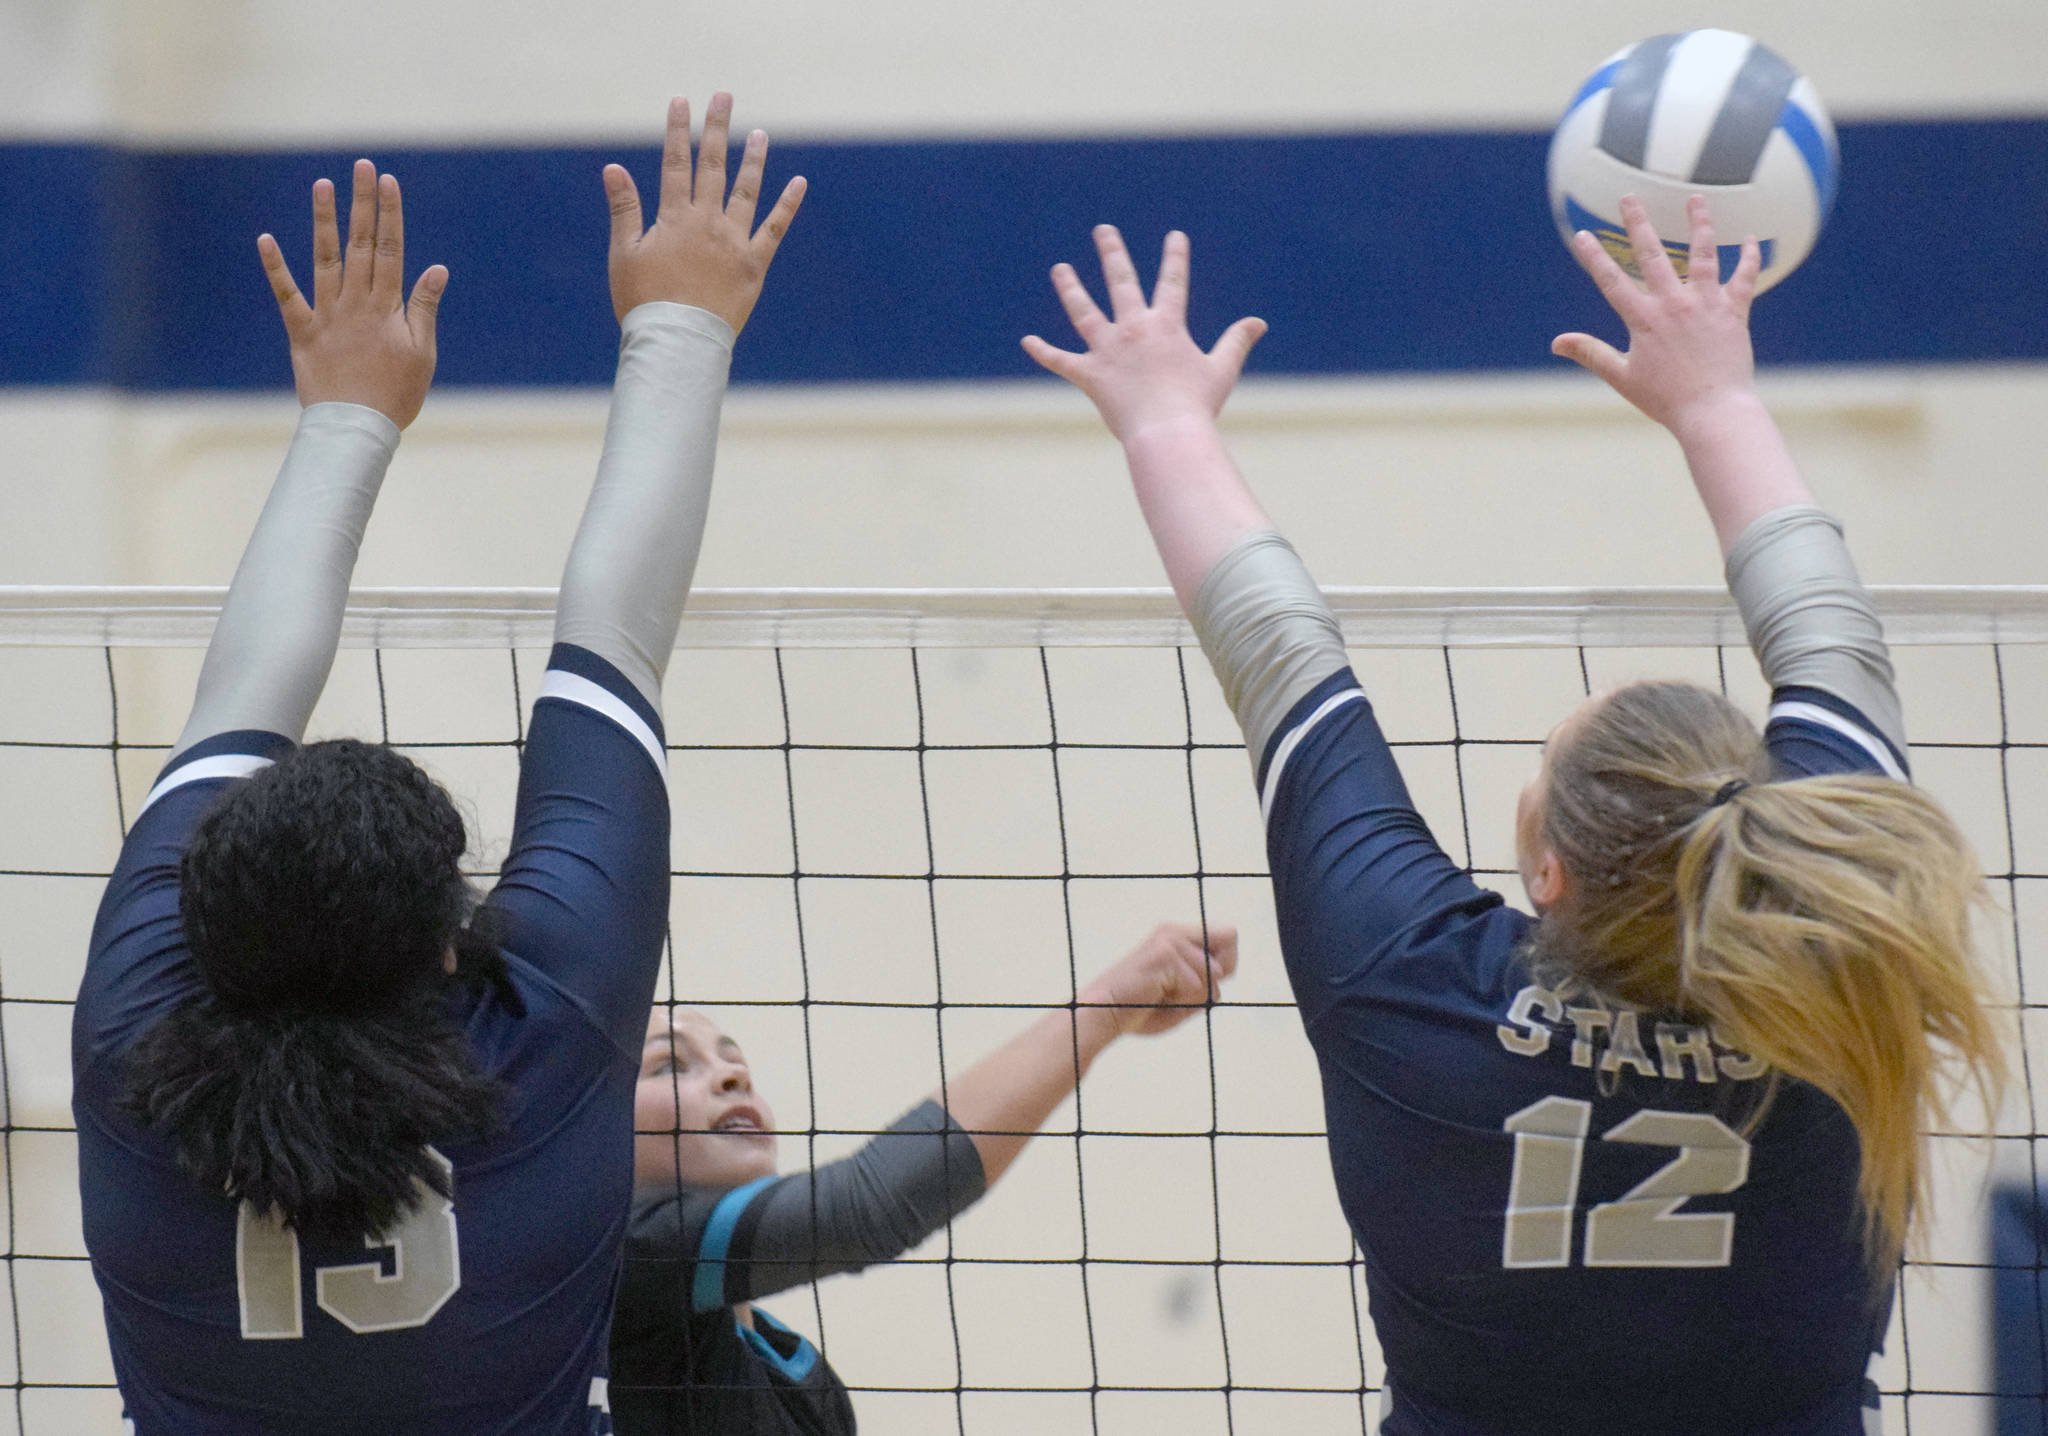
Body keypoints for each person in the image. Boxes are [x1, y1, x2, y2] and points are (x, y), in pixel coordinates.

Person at [1021, 196, 2006, 1434]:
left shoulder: (1409, 979)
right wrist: (1716, 398)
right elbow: (1826, 624)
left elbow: (1275, 652)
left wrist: (1161, 417)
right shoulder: (1845, 973)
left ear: (1548, 870)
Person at [72, 95, 803, 1434]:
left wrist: (351, 417)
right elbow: (618, 640)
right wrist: (681, 323)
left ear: (208, 913)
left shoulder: (139, 1039)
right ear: (452, 941)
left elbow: (248, 690)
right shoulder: (541, 1033)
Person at [610, 921, 1238, 1434]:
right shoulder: (615, 1265)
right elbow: (869, 1209)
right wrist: (1109, 1007)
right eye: (669, 1067)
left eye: (734, 1060)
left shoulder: (805, 1380)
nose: (732, 1078)